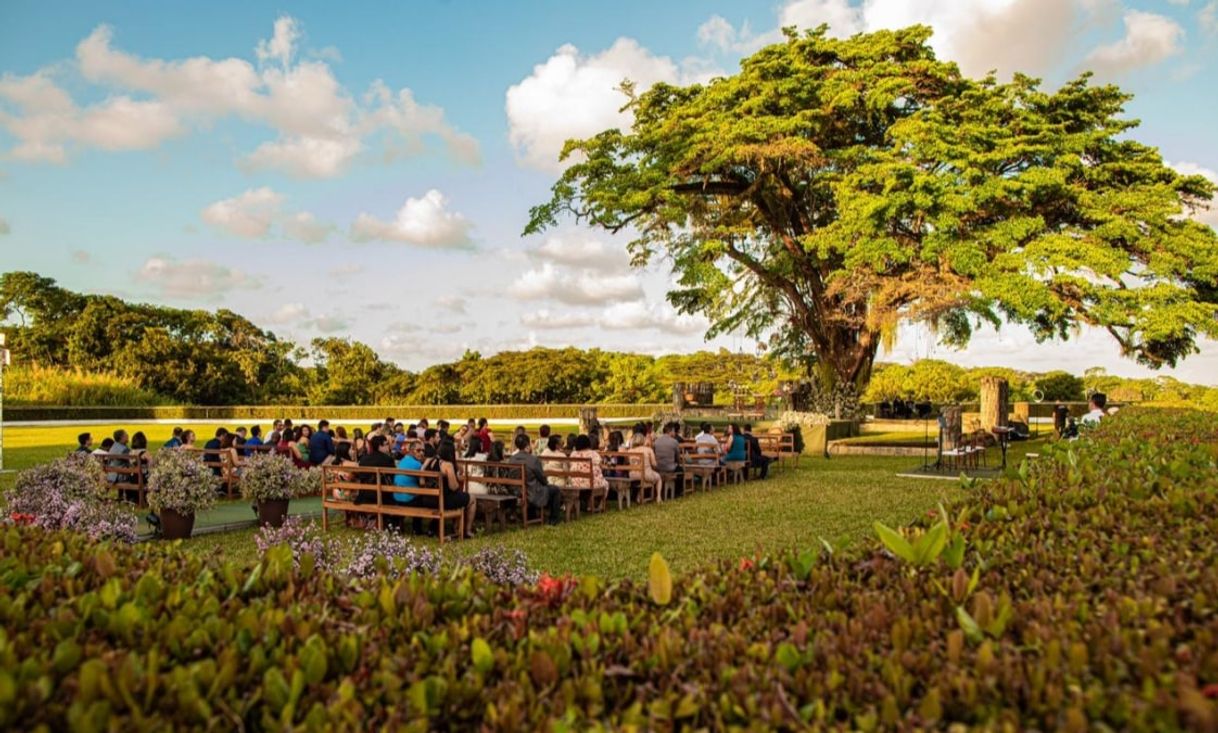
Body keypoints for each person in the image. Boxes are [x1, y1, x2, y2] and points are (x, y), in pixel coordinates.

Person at [508, 433, 563, 525]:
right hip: (532, 492)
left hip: (518, 491)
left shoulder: (512, 459)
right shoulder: (533, 459)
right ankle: (553, 519)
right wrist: (545, 483)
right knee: (555, 490)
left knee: (537, 486)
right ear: (528, 445)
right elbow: (541, 477)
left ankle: (532, 515)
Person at [569, 434, 609, 509]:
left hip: (575, 482)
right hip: (590, 483)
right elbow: (601, 466)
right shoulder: (593, 454)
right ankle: (600, 505)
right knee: (606, 484)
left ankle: (587, 504)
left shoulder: (573, 454)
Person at [627, 432, 663, 503]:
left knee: (644, 479)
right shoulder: (648, 450)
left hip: (632, 475)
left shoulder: (629, 451)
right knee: (658, 478)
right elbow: (654, 464)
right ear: (642, 440)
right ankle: (658, 496)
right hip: (646, 474)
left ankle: (639, 496)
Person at [653, 421, 683, 494]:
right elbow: (677, 457)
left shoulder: (656, 441)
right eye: (673, 431)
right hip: (670, 468)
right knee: (681, 470)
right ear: (671, 431)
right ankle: (677, 491)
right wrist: (679, 463)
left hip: (658, 467)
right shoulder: (674, 442)